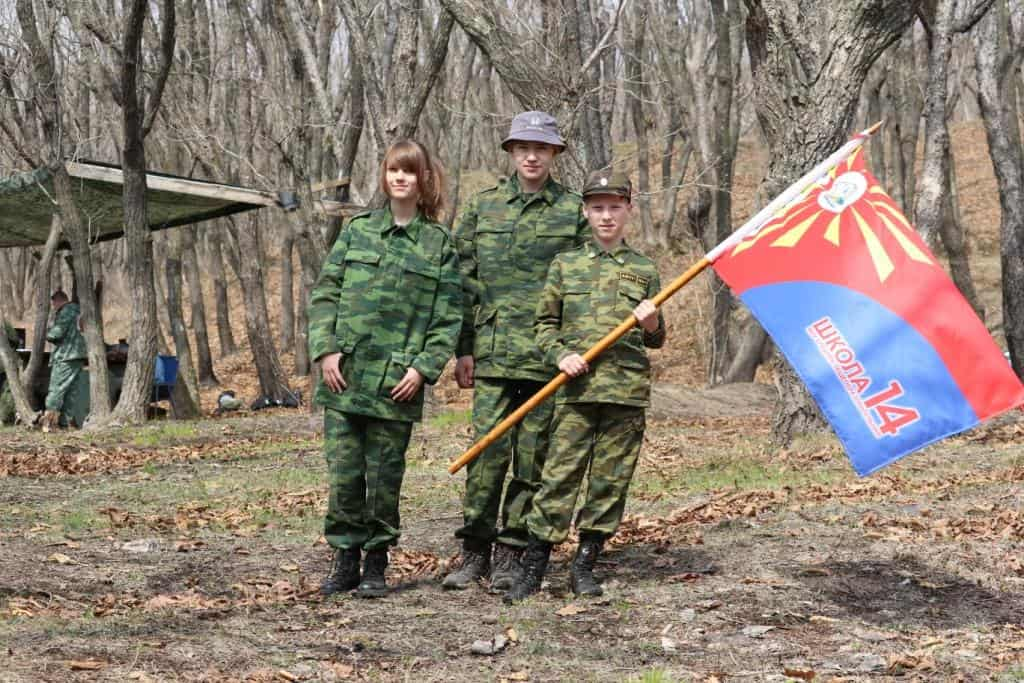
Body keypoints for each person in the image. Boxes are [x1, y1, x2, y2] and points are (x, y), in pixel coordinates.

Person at [308, 139, 461, 599]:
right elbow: (325, 295)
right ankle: (345, 560)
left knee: (384, 477)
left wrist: (423, 369)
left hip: (397, 384)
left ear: (422, 181)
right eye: (393, 170)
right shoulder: (357, 232)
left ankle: (377, 562)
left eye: (409, 172)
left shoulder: (437, 244)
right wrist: (326, 351)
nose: (400, 178)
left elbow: (447, 316)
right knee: (345, 475)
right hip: (346, 376)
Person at [443, 111, 589, 592]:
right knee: (486, 456)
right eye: (523, 147)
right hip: (493, 354)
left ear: (554, 154)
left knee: (532, 460)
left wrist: (575, 349)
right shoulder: (483, 208)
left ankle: (511, 550)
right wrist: (463, 349)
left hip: (549, 358)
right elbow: (459, 282)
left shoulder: (573, 211)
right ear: (510, 152)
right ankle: (473, 551)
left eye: (542, 148)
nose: (532, 155)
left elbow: (586, 286)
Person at [505, 169, 666, 603]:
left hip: (625, 393)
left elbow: (656, 338)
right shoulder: (566, 264)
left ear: (629, 210)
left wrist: (651, 322)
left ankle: (585, 566)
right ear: (585, 212)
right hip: (577, 392)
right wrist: (560, 355)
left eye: (615, 207)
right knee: (558, 477)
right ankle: (534, 569)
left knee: (610, 483)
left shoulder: (643, 269)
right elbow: (543, 324)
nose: (607, 216)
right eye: (598, 208)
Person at [41, 290, 87, 430]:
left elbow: (56, 334)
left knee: (56, 389)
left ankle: (48, 423)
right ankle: (64, 423)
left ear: (57, 301)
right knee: (71, 392)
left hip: (65, 356)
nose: (54, 306)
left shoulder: (66, 311)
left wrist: (47, 332)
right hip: (78, 356)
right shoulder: (79, 310)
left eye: (53, 303)